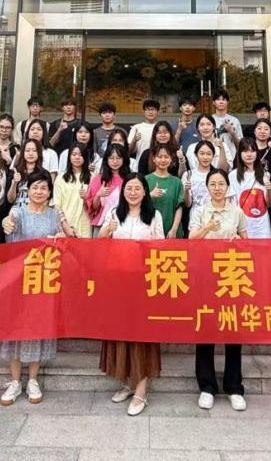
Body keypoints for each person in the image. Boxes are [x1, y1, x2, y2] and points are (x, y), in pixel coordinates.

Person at [0, 171, 74, 405]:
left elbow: (68, 241)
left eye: (44, 188)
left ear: (50, 192)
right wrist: (7, 223)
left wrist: (62, 232)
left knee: (38, 328)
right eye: (35, 187)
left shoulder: (54, 215)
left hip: (44, 280)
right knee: (15, 329)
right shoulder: (18, 211)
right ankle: (14, 381)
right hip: (18, 280)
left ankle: (32, 379)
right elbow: (9, 224)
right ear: (27, 190)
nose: (39, 192)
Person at [99, 174, 164, 416]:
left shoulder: (154, 216)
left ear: (145, 192)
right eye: (129, 188)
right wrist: (107, 230)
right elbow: (99, 243)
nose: (133, 192)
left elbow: (161, 248)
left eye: (137, 188)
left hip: (143, 283)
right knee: (121, 333)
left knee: (142, 335)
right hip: (118, 283)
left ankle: (141, 390)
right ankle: (128, 382)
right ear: (123, 191)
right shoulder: (114, 214)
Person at [189, 168, 248, 411]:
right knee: (206, 328)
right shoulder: (200, 211)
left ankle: (234, 387)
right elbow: (191, 240)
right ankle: (207, 386)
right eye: (212, 184)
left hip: (231, 275)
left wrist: (239, 242)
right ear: (207, 187)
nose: (217, 188)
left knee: (233, 329)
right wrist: (207, 228)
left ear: (227, 187)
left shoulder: (237, 212)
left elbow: (247, 243)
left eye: (221, 183)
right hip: (206, 275)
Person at [230, 137, 271, 239]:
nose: (249, 154)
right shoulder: (232, 175)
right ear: (239, 153)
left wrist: (269, 190)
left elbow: (269, 204)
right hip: (242, 225)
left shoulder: (265, 174)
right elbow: (232, 202)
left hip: (262, 225)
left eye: (252, 151)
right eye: (245, 151)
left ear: (257, 153)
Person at [86, 143, 129, 236]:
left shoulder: (129, 179)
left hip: (124, 224)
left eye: (118, 158)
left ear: (124, 159)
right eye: (111, 158)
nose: (115, 161)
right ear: (106, 159)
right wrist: (98, 195)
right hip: (101, 224)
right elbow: (93, 208)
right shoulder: (98, 179)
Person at [54, 144, 93, 239]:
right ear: (69, 157)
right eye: (74, 154)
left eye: (80, 155)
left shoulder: (92, 177)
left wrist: (86, 198)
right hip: (65, 225)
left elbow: (95, 206)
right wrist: (65, 224)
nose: (77, 157)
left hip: (85, 225)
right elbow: (56, 204)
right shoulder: (61, 178)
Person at [145, 143, 183, 238]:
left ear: (171, 159)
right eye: (159, 157)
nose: (163, 160)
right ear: (153, 159)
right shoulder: (145, 180)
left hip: (172, 231)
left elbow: (179, 207)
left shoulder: (177, 182)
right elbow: (138, 203)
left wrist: (174, 229)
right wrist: (150, 195)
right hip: (150, 230)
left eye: (166, 157)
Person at [8, 139, 45, 207]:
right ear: (23, 152)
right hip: (17, 211)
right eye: (27, 150)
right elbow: (10, 200)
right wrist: (14, 183)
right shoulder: (16, 172)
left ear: (39, 153)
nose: (31, 153)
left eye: (34, 150)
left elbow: (46, 199)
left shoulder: (44, 174)